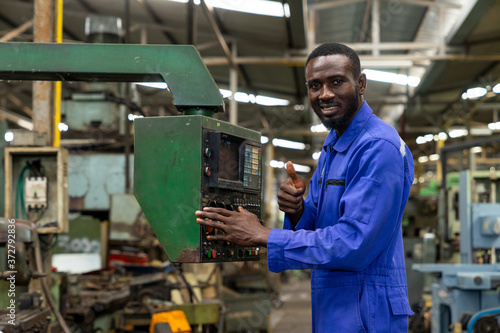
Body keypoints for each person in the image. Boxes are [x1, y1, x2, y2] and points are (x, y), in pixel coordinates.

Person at [195, 42, 414, 332]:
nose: (324, 94)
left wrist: (264, 235)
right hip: (336, 305)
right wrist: (298, 210)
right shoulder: (334, 144)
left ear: (360, 84)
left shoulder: (377, 147)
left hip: (366, 311)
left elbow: (354, 243)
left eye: (336, 81)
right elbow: (320, 226)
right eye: (315, 85)